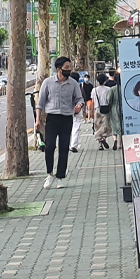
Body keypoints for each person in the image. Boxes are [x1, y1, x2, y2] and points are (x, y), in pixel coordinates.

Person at [36, 56, 83, 189]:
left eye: (70, 67)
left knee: (64, 148)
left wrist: (79, 105)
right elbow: (40, 103)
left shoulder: (73, 83)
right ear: (59, 69)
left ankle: (60, 177)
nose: (69, 70)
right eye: (66, 68)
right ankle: (50, 174)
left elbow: (79, 99)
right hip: (52, 118)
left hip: (67, 118)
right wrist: (37, 120)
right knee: (49, 146)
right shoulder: (48, 82)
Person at [92, 72, 114, 149]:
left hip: (97, 109)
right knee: (106, 126)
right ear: (105, 81)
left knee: (97, 126)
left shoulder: (94, 90)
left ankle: (100, 144)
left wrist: (91, 111)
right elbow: (110, 100)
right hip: (106, 109)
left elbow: (92, 101)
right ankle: (103, 138)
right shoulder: (108, 89)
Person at [106, 74, 123, 151]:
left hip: (114, 108)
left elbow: (109, 100)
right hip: (123, 108)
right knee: (121, 125)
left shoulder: (112, 89)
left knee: (114, 125)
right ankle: (120, 143)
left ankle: (115, 139)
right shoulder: (124, 88)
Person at [69, 71, 85, 152]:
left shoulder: (66, 87)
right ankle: (73, 145)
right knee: (76, 127)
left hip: (68, 110)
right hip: (78, 109)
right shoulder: (79, 87)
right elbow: (83, 98)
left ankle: (68, 144)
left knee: (68, 128)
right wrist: (80, 105)